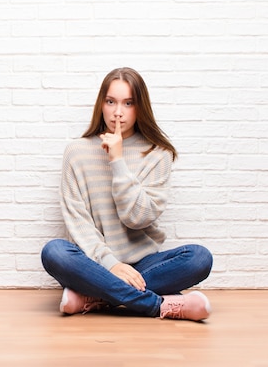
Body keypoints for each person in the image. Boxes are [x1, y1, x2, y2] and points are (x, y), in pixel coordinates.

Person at [40, 67, 213, 321]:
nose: (117, 112)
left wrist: (117, 160)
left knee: (199, 258)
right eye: (111, 102)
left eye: (128, 103)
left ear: (139, 107)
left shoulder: (157, 154)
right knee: (54, 252)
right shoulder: (76, 152)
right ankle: (159, 305)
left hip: (144, 265)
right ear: (102, 104)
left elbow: (138, 218)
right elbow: (78, 223)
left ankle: (96, 297)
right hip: (95, 264)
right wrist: (111, 264)